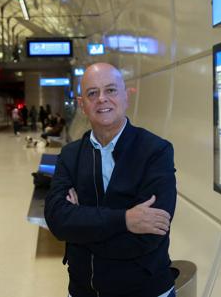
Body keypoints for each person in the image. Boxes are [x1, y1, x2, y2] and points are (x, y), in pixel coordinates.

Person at [45, 63, 176, 297]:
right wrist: (125, 219)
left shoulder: (155, 151)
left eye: (111, 90)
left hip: (145, 291)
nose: (102, 99)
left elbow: (148, 236)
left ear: (126, 96)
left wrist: (80, 229)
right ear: (82, 104)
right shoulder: (70, 155)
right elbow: (56, 219)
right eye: (92, 93)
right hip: (82, 291)